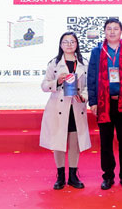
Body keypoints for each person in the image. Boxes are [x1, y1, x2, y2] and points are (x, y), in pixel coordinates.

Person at [87, 18, 122, 190]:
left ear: (121, 31)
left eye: (115, 28)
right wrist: (93, 101)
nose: (112, 31)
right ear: (104, 31)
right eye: (109, 28)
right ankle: (108, 176)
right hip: (104, 104)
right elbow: (91, 78)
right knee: (106, 143)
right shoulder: (97, 52)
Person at [40, 32, 91, 190]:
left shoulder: (84, 63)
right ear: (61, 45)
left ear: (77, 44)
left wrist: (84, 97)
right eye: (65, 42)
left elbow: (89, 86)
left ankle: (73, 176)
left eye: (72, 41)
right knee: (58, 141)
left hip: (76, 107)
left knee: (75, 142)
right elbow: (44, 85)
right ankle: (60, 176)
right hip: (58, 108)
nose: (69, 44)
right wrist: (57, 81)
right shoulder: (54, 63)